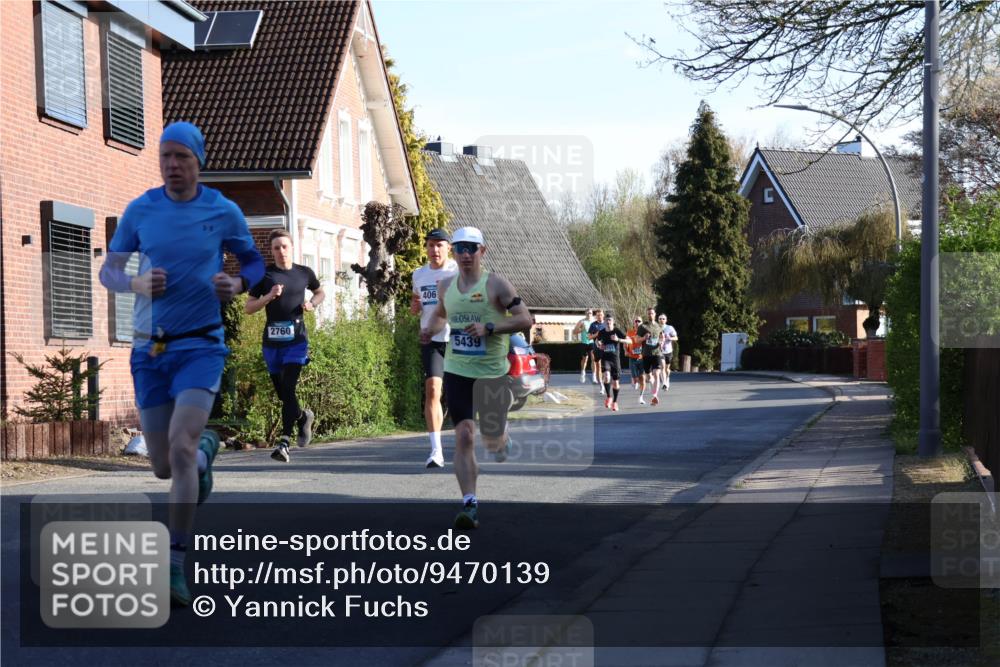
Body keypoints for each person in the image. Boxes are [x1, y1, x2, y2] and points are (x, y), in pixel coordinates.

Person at [99, 122, 265, 606]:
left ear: (198, 162)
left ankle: (174, 565)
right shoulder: (141, 210)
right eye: (165, 156)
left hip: (201, 346)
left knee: (181, 444)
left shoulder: (223, 209)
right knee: (161, 466)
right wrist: (134, 283)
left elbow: (253, 263)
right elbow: (109, 270)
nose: (172, 165)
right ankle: (206, 451)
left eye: (182, 157)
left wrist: (237, 285)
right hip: (150, 350)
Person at [423, 227, 532, 529]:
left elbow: (525, 319)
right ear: (454, 253)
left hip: (491, 373)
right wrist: (430, 329)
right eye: (460, 248)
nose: (466, 254)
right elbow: (441, 313)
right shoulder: (446, 286)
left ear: (482, 251)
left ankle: (501, 438)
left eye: (472, 248)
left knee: (492, 441)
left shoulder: (496, 284)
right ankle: (469, 503)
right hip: (457, 370)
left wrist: (490, 327)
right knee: (464, 435)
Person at [245, 229, 324, 463]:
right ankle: (302, 417)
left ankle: (284, 443)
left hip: (296, 341)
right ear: (271, 251)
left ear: (292, 247)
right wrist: (268, 296)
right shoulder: (265, 276)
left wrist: (312, 303)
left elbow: (320, 292)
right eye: (276, 248)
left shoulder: (304, 273)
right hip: (272, 343)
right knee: (284, 395)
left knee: (289, 388)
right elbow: (249, 308)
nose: (281, 251)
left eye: (284, 246)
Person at [410, 228, 458, 468]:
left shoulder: (457, 271)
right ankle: (436, 451)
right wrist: (415, 307)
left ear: (448, 248)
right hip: (431, 339)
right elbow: (415, 304)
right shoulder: (419, 275)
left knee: (461, 394)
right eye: (431, 245)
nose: (435, 249)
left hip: (458, 339)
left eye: (440, 245)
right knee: (432, 390)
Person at [594, 314, 631, 411]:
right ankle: (609, 397)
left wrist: (618, 339)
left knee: (616, 383)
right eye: (606, 320)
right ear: (604, 321)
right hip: (605, 358)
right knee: (606, 376)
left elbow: (630, 341)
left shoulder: (617, 331)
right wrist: (599, 345)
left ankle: (615, 402)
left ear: (613, 321)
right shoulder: (601, 332)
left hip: (615, 360)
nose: (608, 322)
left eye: (610, 320)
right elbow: (597, 341)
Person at [636, 307, 664, 406]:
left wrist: (661, 342)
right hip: (646, 354)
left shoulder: (659, 326)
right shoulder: (642, 327)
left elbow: (662, 337)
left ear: (655, 314)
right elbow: (637, 340)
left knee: (656, 373)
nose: (650, 315)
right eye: (648, 313)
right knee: (649, 377)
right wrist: (644, 338)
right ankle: (654, 393)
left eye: (652, 313)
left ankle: (654, 395)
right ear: (647, 315)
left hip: (657, 353)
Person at [572, 309, 597, 384]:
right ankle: (583, 373)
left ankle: (594, 376)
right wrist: (581, 330)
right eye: (588, 313)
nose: (589, 314)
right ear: (585, 313)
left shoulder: (594, 322)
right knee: (585, 359)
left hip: (592, 342)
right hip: (584, 343)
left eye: (590, 313)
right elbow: (574, 332)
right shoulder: (582, 321)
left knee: (593, 359)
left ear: (592, 314)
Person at [657, 313, 680, 391]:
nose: (661, 320)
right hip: (660, 351)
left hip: (668, 351)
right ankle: (664, 383)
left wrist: (670, 338)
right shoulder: (656, 328)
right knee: (662, 367)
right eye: (660, 319)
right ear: (658, 320)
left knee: (667, 369)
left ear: (666, 320)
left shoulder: (670, 328)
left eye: (663, 319)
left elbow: (676, 338)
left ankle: (667, 379)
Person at [588, 309, 607, 395]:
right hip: (597, 349)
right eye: (598, 315)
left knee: (606, 367)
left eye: (601, 315)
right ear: (596, 316)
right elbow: (589, 337)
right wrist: (596, 334)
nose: (599, 316)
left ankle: (605, 382)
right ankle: (601, 386)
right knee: (598, 366)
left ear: (603, 315)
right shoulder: (593, 325)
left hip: (606, 349)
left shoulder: (607, 323)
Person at [625, 316, 644, 390]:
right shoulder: (629, 332)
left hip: (642, 357)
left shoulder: (645, 332)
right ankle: (635, 380)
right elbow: (626, 342)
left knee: (642, 376)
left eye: (639, 321)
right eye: (636, 321)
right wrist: (626, 350)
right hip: (632, 357)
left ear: (641, 323)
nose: (637, 323)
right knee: (635, 376)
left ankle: (641, 387)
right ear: (633, 323)